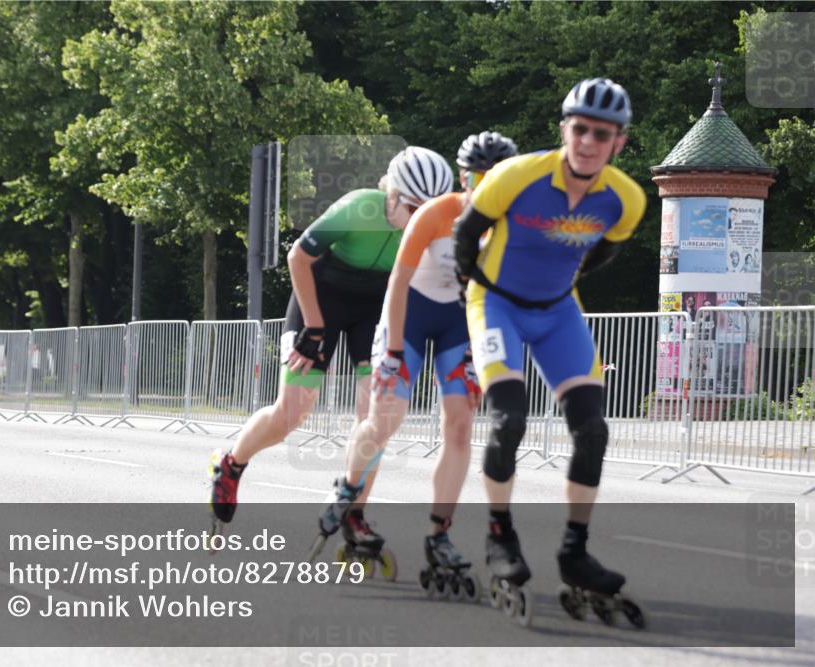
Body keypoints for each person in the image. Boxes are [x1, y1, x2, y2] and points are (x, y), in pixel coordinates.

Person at [452, 78, 647, 621]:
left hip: (559, 311)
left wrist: (560, 281)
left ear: (618, 143)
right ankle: (499, 535)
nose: (587, 140)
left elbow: (602, 254)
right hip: (496, 305)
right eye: (579, 128)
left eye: (600, 133)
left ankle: (574, 553)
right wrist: (478, 290)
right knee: (509, 420)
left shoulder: (626, 199)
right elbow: (466, 237)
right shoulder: (518, 176)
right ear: (565, 128)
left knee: (593, 430)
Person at [311, 133, 519, 595]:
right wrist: (392, 355)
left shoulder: (507, 223)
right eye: (478, 179)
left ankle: (439, 533)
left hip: (456, 322)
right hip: (409, 314)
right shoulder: (436, 212)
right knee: (386, 416)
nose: (487, 186)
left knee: (461, 423)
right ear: (464, 179)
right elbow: (398, 284)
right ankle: (347, 486)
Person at [209, 146, 455, 529]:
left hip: (375, 305)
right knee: (292, 411)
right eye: (413, 208)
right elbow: (298, 258)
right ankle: (231, 464)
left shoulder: (436, 225)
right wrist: (314, 326)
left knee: (376, 417)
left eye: (430, 210)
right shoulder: (359, 207)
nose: (420, 220)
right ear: (392, 195)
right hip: (322, 296)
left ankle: (354, 511)